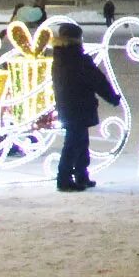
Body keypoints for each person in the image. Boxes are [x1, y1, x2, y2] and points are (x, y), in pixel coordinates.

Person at [51, 21, 120, 192]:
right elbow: (97, 80)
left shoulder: (59, 57)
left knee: (79, 141)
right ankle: (64, 178)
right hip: (79, 105)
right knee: (74, 142)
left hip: (67, 105)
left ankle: (81, 175)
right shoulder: (78, 59)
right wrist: (112, 97)